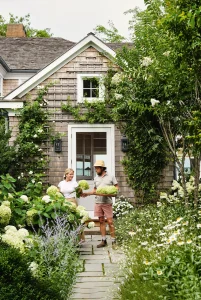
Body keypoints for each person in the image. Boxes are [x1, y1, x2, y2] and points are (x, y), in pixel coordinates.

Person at [82, 160, 119, 248]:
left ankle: (114, 241)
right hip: (98, 202)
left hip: (107, 202)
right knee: (101, 221)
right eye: (95, 168)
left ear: (102, 168)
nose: (96, 170)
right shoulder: (96, 178)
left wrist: (111, 192)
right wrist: (86, 193)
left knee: (110, 222)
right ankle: (103, 240)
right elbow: (94, 190)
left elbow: (116, 187)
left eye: (97, 168)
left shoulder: (111, 177)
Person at [58, 168, 85, 243]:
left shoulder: (74, 183)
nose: (72, 176)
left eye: (73, 174)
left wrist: (81, 189)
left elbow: (80, 192)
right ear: (66, 174)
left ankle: (79, 239)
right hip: (63, 203)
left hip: (72, 201)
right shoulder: (61, 183)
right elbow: (58, 193)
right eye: (70, 174)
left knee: (75, 220)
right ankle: (66, 238)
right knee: (65, 220)